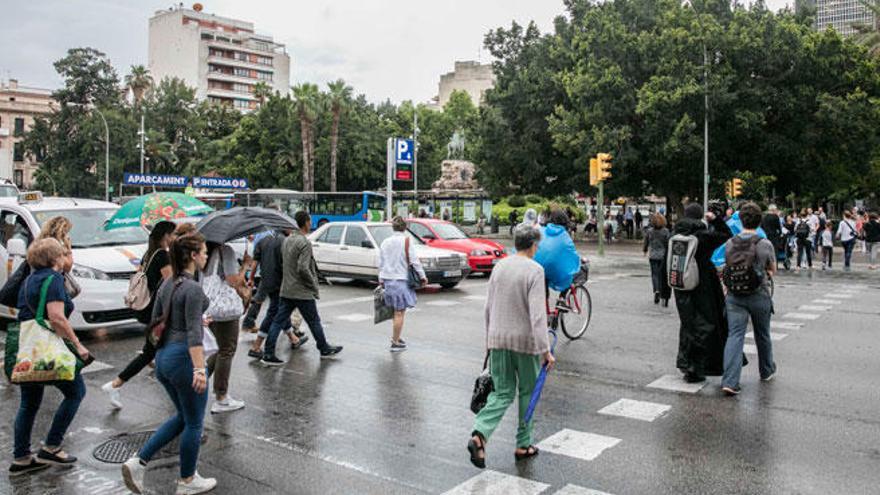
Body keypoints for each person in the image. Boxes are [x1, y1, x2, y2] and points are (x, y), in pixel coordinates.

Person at [122, 233, 216, 495]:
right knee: (195, 422)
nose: (207, 256)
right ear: (193, 256)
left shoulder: (168, 284)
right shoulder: (193, 288)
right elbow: (194, 334)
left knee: (182, 417)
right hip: (184, 358)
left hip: (163, 358)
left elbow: (156, 322)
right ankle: (187, 480)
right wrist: (199, 368)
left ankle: (138, 461)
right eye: (204, 251)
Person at [467, 224, 554, 469]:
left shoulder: (500, 266)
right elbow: (538, 317)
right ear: (534, 245)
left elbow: (488, 307)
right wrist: (545, 350)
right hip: (524, 343)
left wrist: (489, 341)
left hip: (498, 339)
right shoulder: (535, 270)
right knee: (528, 391)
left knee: (501, 392)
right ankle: (523, 443)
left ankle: (480, 434)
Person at [9, 238, 89, 476]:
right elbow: (56, 317)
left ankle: (21, 457)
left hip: (28, 349)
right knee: (76, 392)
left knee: (29, 403)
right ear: (55, 259)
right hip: (47, 348)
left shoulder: (29, 280)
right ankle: (52, 446)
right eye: (64, 254)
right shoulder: (53, 279)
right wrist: (78, 344)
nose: (67, 258)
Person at [102, 221, 176, 410]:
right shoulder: (162, 256)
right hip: (156, 311)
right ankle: (115, 384)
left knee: (157, 350)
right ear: (166, 235)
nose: (175, 238)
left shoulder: (149, 253)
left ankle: (164, 373)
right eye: (173, 234)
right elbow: (171, 283)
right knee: (148, 352)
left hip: (147, 308)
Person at [261, 211, 343, 366]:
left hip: (287, 289)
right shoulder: (304, 242)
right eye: (309, 220)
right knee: (314, 321)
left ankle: (268, 352)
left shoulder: (287, 240)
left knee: (278, 321)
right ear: (305, 222)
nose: (310, 223)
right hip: (302, 291)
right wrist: (313, 284)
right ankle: (324, 348)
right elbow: (303, 268)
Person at [672, 202, 733, 383]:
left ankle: (685, 362)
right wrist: (717, 219)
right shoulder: (702, 236)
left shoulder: (675, 235)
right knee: (704, 325)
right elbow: (726, 235)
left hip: (681, 285)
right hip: (703, 284)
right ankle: (698, 367)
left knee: (687, 325)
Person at [720, 202, 777, 395]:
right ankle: (766, 370)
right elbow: (772, 270)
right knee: (763, 334)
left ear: (740, 220)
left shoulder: (730, 242)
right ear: (759, 220)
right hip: (759, 294)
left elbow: (725, 266)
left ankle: (730, 381)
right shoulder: (764, 243)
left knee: (735, 336)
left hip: (734, 295)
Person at [202, 241, 248, 414]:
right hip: (225, 310)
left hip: (208, 305)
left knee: (217, 349)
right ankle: (221, 397)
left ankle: (198, 378)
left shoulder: (206, 251)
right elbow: (233, 280)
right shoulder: (224, 250)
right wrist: (245, 266)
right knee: (227, 350)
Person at [247, 230, 308, 359]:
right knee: (273, 312)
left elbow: (255, 262)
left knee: (282, 311)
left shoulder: (263, 240)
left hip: (266, 281)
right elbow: (288, 265)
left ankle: (294, 339)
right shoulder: (284, 242)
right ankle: (256, 347)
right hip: (279, 283)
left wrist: (251, 278)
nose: (291, 230)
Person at [378, 217, 427, 352]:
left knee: (395, 312)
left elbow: (380, 262)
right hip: (400, 280)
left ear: (393, 227)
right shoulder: (406, 241)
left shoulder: (385, 242)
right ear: (405, 228)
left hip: (388, 280)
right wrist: (423, 276)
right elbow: (414, 261)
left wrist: (380, 279)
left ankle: (397, 337)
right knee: (399, 312)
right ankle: (395, 342)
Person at [534, 209, 581, 295]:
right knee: (572, 274)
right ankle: (562, 298)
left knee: (544, 282)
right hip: (553, 269)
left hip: (537, 266)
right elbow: (573, 255)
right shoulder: (564, 236)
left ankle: (544, 303)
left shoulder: (541, 231)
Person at [643, 213, 671, 306]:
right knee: (663, 276)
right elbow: (668, 243)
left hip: (653, 256)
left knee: (654, 275)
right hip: (663, 256)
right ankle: (663, 292)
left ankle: (656, 290)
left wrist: (645, 250)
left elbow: (646, 242)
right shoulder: (666, 231)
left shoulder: (649, 231)